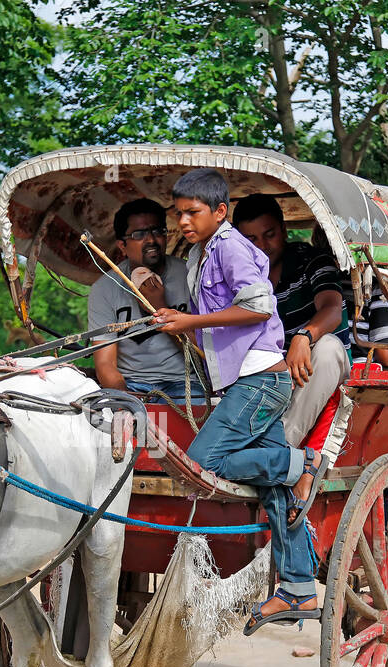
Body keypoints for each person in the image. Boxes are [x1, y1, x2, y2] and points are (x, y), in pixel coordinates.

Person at [150, 168, 322, 633]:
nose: (183, 221)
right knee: (273, 489)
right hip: (248, 382)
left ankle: (300, 463)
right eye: (179, 212)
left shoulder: (227, 246)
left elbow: (258, 307)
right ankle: (300, 589)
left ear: (220, 212)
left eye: (193, 212)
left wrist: (188, 324)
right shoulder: (202, 252)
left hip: (259, 381)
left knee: (203, 463)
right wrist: (180, 317)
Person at [232, 194, 350, 446]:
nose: (263, 245)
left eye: (270, 234)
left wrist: (304, 337)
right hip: (268, 376)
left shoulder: (311, 261)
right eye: (251, 239)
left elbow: (331, 307)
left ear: (284, 230)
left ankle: (280, 448)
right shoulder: (239, 275)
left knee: (328, 347)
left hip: (316, 370)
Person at [87, 198, 203, 401]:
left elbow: (203, 353)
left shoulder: (190, 275)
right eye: (139, 234)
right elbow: (105, 365)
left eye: (158, 231)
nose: (151, 240)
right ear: (122, 245)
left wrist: (159, 306)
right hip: (132, 385)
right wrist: (127, 402)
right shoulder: (104, 289)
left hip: (187, 384)